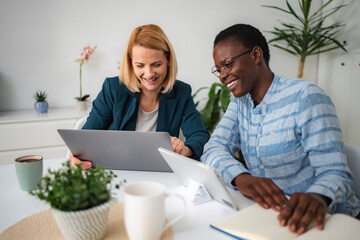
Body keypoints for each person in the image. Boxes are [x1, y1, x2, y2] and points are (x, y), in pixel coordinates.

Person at [201, 23, 360, 234]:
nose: (222, 76)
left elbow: (336, 172)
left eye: (227, 64)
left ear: (256, 55)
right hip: (272, 216)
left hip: (325, 220)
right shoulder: (240, 104)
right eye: (219, 69)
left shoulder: (306, 97)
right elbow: (213, 148)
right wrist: (241, 177)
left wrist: (317, 196)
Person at [70, 24, 209, 170]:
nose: (149, 74)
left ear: (168, 61)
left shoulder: (181, 92)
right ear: (131, 64)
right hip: (117, 171)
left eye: (156, 64)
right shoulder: (113, 89)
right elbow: (87, 137)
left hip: (159, 174)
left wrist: (185, 150)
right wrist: (77, 157)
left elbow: (200, 136)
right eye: (140, 65)